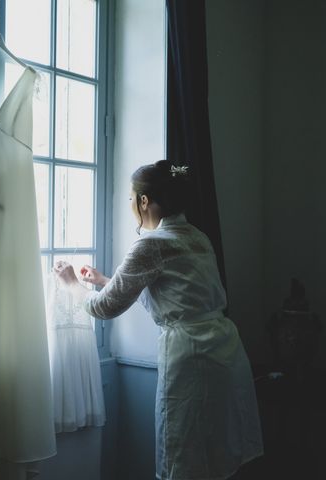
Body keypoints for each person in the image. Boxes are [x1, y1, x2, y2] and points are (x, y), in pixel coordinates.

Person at [53, 160, 264, 480]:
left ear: (143, 201)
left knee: (182, 449)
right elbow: (170, 295)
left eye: (130, 199)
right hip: (225, 350)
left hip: (190, 355)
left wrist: (71, 284)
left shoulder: (151, 244)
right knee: (218, 448)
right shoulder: (196, 237)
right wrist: (104, 280)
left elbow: (104, 309)